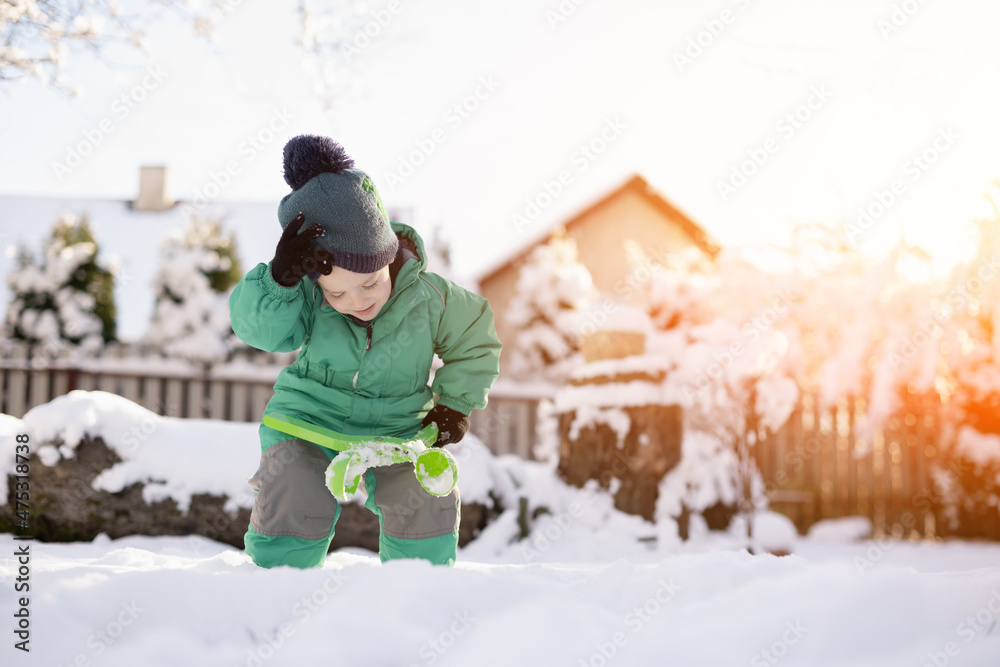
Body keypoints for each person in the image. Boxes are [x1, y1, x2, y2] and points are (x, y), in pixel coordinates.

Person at [229, 135, 501, 569]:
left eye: (370, 283)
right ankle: (279, 587)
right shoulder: (304, 293)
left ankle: (418, 590)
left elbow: (476, 342)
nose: (356, 301)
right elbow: (260, 333)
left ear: (388, 254)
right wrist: (276, 282)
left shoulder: (431, 298)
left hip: (397, 430)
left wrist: (455, 403)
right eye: (337, 292)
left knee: (426, 494)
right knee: (293, 488)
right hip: (308, 421)